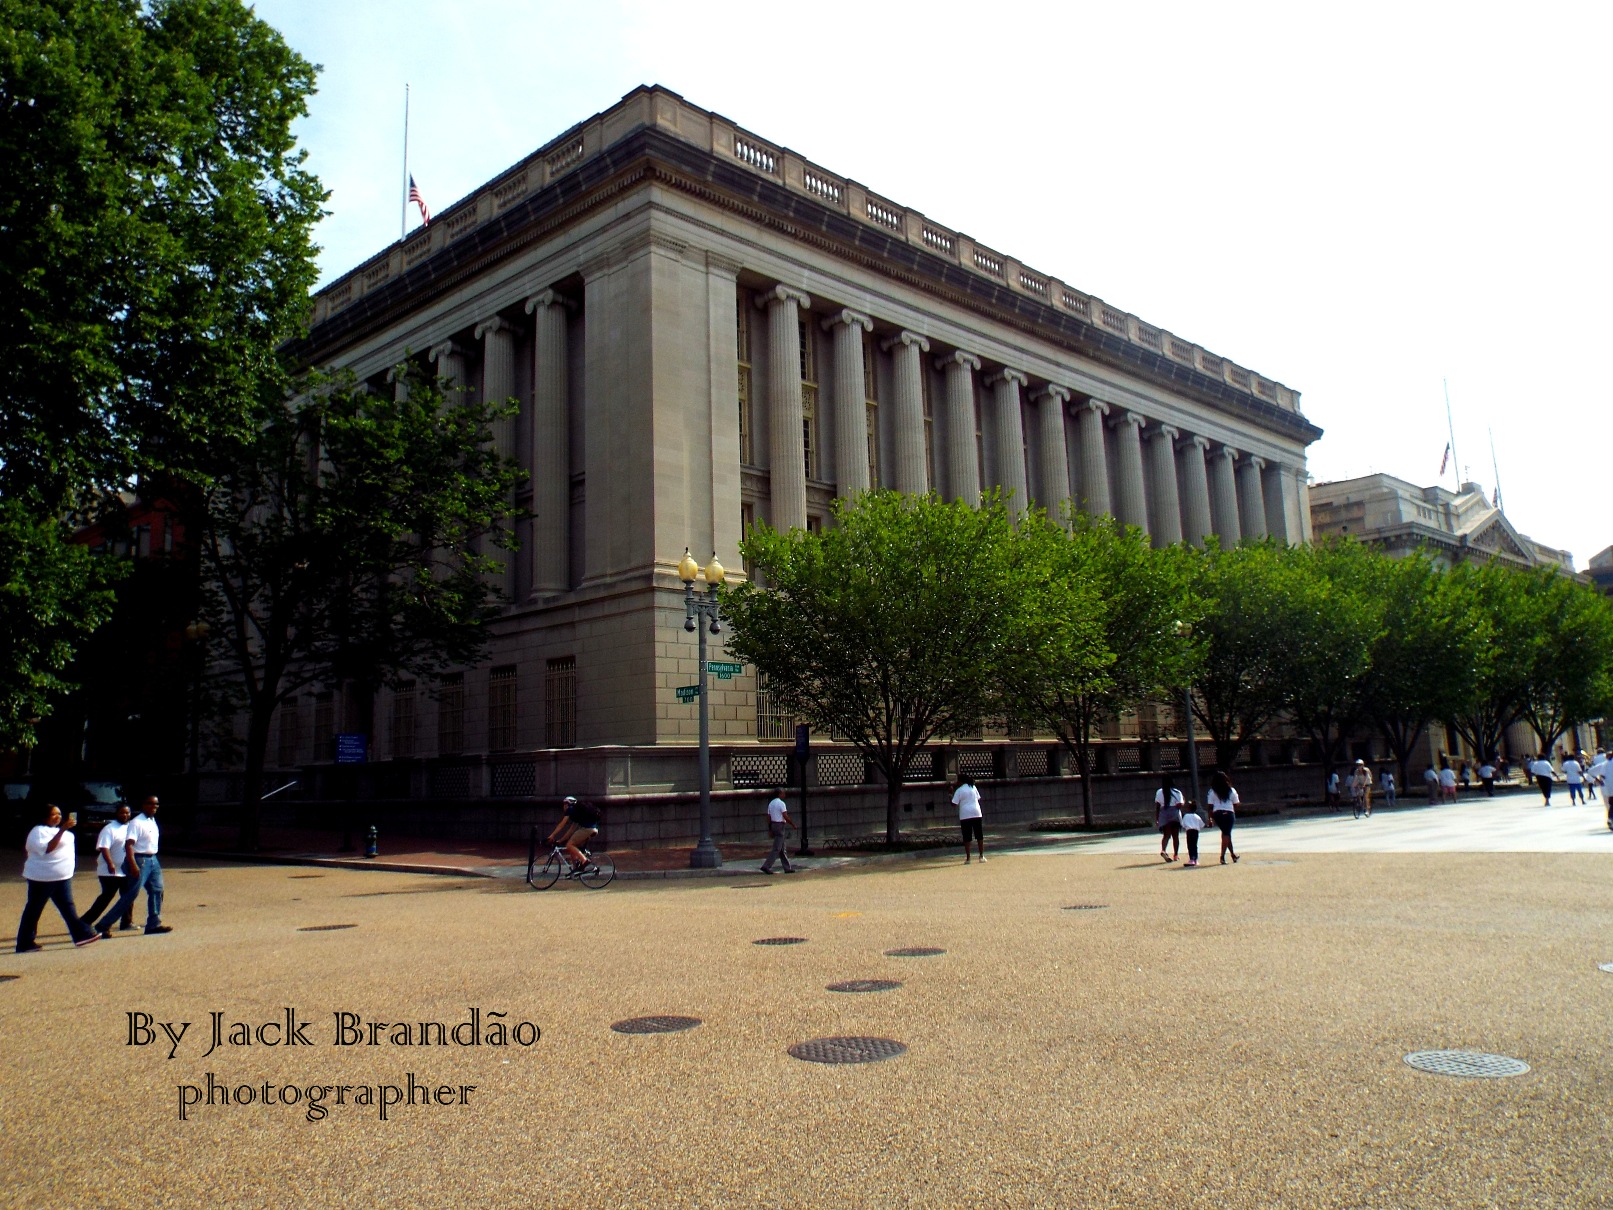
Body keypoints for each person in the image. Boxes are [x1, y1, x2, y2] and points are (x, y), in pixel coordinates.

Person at [16, 804, 101, 952]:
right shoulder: (38, 831)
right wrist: (62, 829)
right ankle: (24, 942)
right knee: (34, 909)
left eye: (60, 814)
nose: (58, 817)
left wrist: (63, 830)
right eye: (53, 814)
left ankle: (81, 935)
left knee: (68, 907)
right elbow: (47, 849)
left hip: (62, 877)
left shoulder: (66, 833)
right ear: (45, 817)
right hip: (42, 877)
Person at [91, 794, 170, 937]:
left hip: (153, 859)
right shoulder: (137, 822)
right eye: (151, 804)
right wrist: (133, 864)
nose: (154, 807)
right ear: (143, 805)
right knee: (130, 895)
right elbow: (129, 845)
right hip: (140, 860)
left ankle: (153, 924)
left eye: (156, 804)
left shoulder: (152, 820)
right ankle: (103, 925)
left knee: (157, 890)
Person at [80, 803, 135, 932]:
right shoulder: (110, 828)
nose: (125, 815)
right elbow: (104, 847)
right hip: (109, 870)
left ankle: (126, 922)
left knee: (128, 895)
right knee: (106, 897)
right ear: (117, 813)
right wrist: (110, 863)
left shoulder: (131, 828)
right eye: (122, 812)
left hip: (125, 869)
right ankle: (85, 921)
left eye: (127, 812)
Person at [546, 796, 602, 876]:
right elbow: (570, 831)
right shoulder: (577, 814)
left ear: (567, 805)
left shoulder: (570, 809)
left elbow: (562, 824)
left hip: (587, 829)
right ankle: (575, 869)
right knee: (572, 847)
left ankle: (585, 860)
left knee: (569, 845)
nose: (563, 807)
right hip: (594, 829)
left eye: (564, 804)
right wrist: (560, 840)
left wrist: (552, 835)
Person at [760, 788, 797, 874]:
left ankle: (787, 867)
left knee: (782, 848)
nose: (784, 794)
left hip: (773, 824)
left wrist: (770, 828)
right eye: (783, 793)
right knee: (777, 848)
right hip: (780, 825)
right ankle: (766, 866)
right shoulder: (781, 803)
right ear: (779, 793)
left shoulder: (771, 803)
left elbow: (768, 817)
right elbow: (785, 815)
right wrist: (792, 824)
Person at [1206, 771, 1240, 864]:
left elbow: (1210, 806)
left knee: (1225, 833)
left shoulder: (1212, 791)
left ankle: (1233, 854)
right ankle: (1222, 856)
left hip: (1217, 814)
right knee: (1226, 833)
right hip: (1229, 813)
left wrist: (1210, 819)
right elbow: (1236, 803)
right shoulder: (1231, 790)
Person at [953, 776, 985, 864]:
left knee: (967, 837)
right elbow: (978, 798)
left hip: (965, 814)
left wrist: (950, 793)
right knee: (979, 835)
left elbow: (954, 804)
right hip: (976, 812)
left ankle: (968, 858)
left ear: (960, 782)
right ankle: (981, 856)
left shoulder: (959, 790)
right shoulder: (973, 787)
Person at [1155, 776, 1183, 863]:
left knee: (1166, 835)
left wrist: (1157, 818)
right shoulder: (1176, 792)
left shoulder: (1159, 792)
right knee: (1175, 836)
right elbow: (1180, 804)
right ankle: (1176, 855)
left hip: (1164, 813)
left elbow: (1157, 806)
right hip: (1174, 812)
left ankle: (1163, 850)